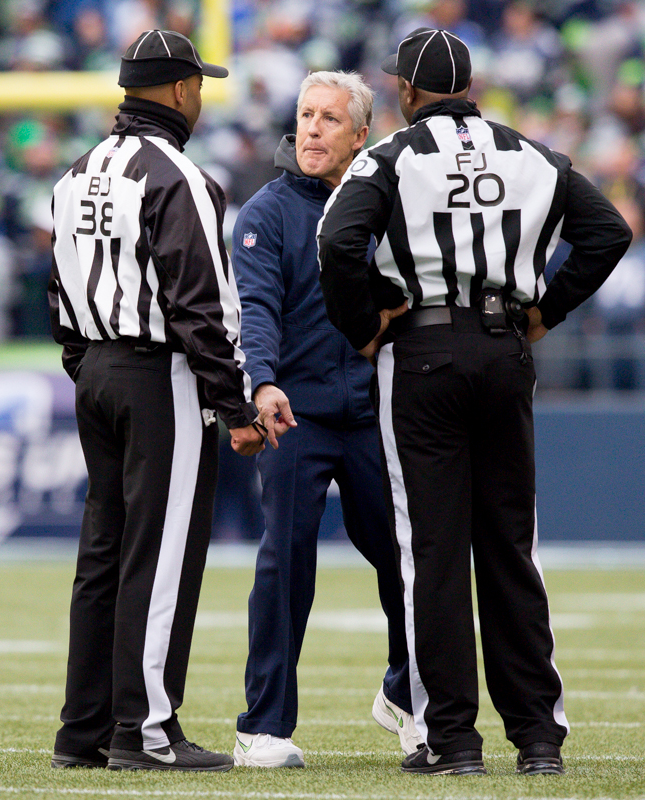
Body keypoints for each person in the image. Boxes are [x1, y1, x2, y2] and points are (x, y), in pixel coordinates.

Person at [318, 28, 632, 776]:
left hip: (422, 352)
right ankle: (539, 737)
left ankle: (452, 739)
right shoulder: (530, 154)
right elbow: (608, 232)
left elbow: (336, 242)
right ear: (470, 89)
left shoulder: (389, 157)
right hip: (503, 350)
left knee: (431, 551)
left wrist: (365, 325)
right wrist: (546, 309)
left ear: (406, 91)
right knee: (509, 547)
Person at [48, 29, 294, 773]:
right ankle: (146, 731)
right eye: (198, 85)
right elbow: (199, 309)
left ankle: (84, 730)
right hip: (158, 377)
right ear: (182, 89)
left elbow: (59, 294)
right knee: (159, 554)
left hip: (96, 369)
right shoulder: (179, 177)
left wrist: (92, 368)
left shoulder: (77, 172)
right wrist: (234, 408)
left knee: (103, 552)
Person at [230, 71, 420, 768]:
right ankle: (262, 727)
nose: (311, 128)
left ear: (361, 135)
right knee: (285, 562)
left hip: (375, 412)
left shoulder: (390, 206)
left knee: (409, 561)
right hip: (295, 414)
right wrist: (263, 382)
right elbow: (255, 309)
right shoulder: (265, 212)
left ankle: (409, 696)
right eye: (306, 114)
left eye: (329, 119)